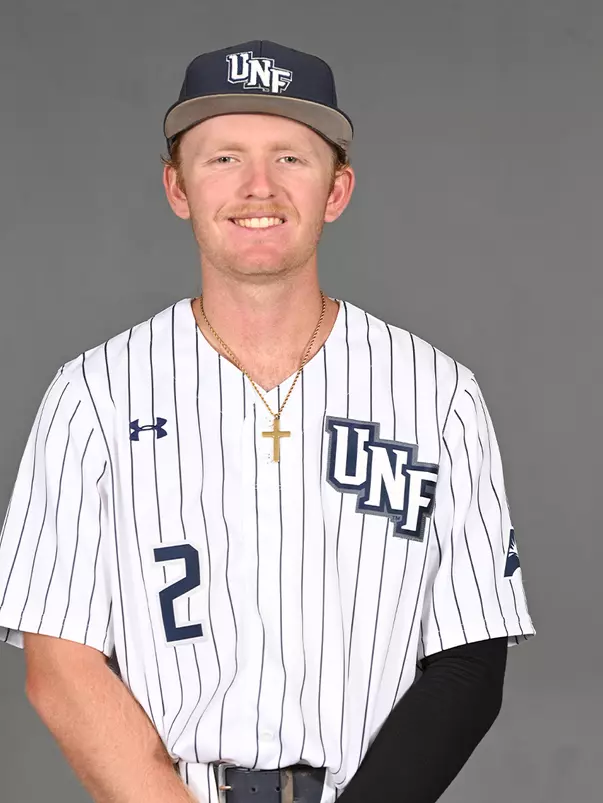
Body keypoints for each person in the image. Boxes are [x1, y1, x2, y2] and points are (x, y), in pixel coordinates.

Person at [0, 40, 535, 803]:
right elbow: (59, 664)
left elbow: (470, 659)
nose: (258, 186)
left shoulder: (436, 392)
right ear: (176, 186)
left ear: (337, 189)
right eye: (223, 158)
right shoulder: (93, 394)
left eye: (290, 157)